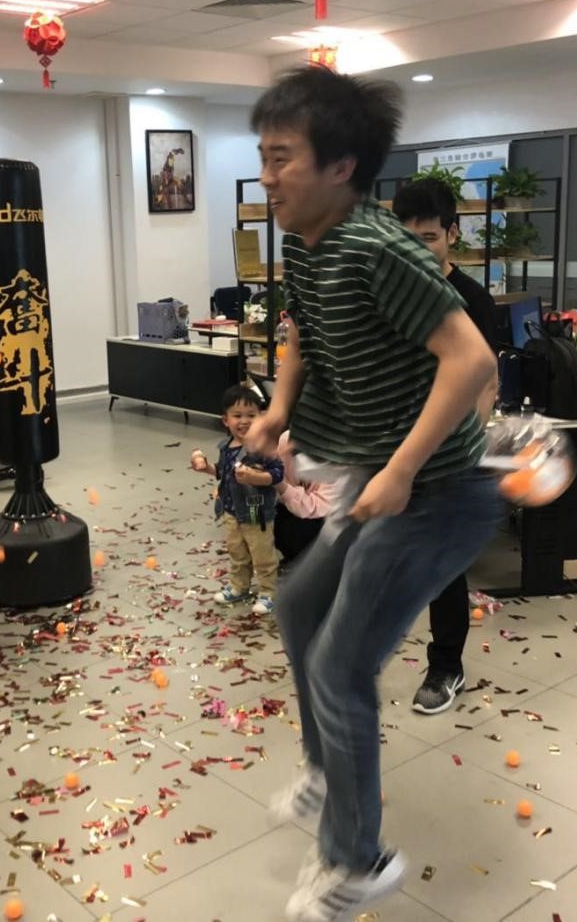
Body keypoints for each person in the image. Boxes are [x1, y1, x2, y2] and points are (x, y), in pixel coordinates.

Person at [245, 68, 502, 921]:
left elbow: (471, 360)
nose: (267, 176)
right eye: (262, 156)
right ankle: (329, 774)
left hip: (438, 492)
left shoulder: (376, 249)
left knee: (339, 663)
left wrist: (398, 469)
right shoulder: (305, 244)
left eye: (281, 158)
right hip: (379, 481)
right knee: (297, 608)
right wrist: (279, 409)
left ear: (340, 167)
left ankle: (358, 862)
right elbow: (301, 335)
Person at [393, 178, 499, 714]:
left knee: (443, 562)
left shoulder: (473, 302)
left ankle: (446, 666)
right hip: (392, 446)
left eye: (429, 238)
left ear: (452, 234)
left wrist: (462, 450)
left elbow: (485, 383)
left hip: (448, 452)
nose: (417, 250)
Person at [191, 385, 285, 615]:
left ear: (261, 418)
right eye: (237, 415)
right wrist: (206, 467)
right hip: (230, 509)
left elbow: (277, 474)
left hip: (256, 508)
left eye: (251, 415)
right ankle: (239, 586)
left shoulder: (262, 447)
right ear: (226, 420)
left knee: (261, 552)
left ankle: (269, 592)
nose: (244, 421)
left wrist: (255, 477)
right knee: (237, 551)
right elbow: (222, 472)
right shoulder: (226, 447)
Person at [273, 431, 338, 562]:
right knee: (261, 518)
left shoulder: (335, 458)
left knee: (301, 530)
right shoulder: (287, 440)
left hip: (321, 517)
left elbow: (316, 507)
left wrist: (280, 485)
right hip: (291, 504)